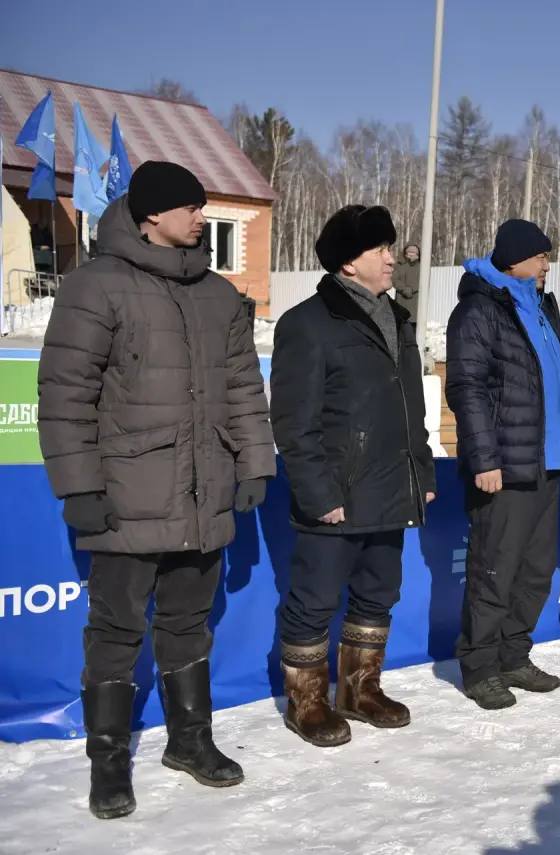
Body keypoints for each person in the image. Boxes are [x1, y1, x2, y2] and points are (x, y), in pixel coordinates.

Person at [37, 162, 274, 819]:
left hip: (203, 493)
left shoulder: (219, 295)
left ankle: (190, 741)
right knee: (115, 629)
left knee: (188, 622)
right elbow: (65, 395)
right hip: (126, 494)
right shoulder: (95, 287)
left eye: (202, 207)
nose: (201, 217)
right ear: (151, 216)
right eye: (190, 207)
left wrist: (254, 464)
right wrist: (78, 485)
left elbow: (242, 389)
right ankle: (108, 764)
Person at [272, 205, 436, 745]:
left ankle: (360, 689)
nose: (392, 258)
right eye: (380, 250)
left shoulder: (399, 319)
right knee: (314, 601)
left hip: (392, 488)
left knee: (377, 594)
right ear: (348, 263)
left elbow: (412, 406)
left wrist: (422, 471)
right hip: (336, 495)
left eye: (390, 247)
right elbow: (294, 423)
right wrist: (319, 492)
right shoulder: (307, 325)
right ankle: (308, 701)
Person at [446, 219, 560, 710]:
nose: (548, 264)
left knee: (535, 570)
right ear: (514, 258)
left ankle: (513, 656)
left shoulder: (544, 306)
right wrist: (484, 458)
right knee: (494, 570)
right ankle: (480, 667)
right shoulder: (480, 309)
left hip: (546, 465)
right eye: (541, 256)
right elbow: (467, 388)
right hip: (503, 468)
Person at [392, 242, 422, 322]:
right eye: (409, 253)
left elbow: (423, 281)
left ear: (418, 255)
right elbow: (393, 279)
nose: (411, 255)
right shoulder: (399, 266)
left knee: (414, 328)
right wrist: (404, 289)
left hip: (416, 303)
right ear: (405, 254)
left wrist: (411, 289)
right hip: (401, 303)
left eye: (414, 253)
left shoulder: (422, 267)